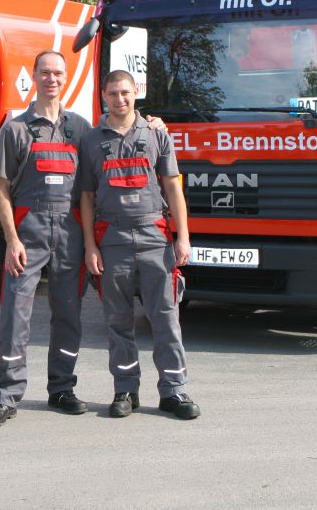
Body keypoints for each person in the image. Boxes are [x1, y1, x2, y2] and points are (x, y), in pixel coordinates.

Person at [0, 51, 165, 428]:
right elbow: (0, 188)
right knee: (15, 314)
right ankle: (6, 396)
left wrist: (152, 122)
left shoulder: (81, 128)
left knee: (68, 313)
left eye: (58, 73)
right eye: (45, 72)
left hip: (70, 231)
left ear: (66, 78)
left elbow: (120, 127)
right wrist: (11, 239)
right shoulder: (16, 130)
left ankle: (61, 388)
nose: (51, 79)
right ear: (34, 76)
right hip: (29, 231)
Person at [79, 69, 200, 420]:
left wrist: (183, 237)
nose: (120, 99)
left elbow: (173, 187)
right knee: (118, 321)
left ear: (136, 93)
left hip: (154, 237)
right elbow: (86, 197)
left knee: (165, 318)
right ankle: (125, 390)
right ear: (104, 96)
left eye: (126, 92)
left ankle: (174, 391)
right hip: (112, 239)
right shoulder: (90, 140)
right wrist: (90, 246)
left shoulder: (157, 134)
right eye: (113, 93)